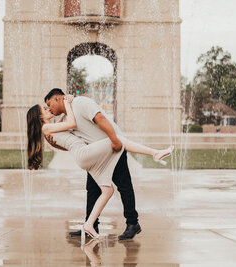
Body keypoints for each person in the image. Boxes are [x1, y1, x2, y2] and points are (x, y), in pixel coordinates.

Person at [33, 89, 172, 240]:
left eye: (49, 104)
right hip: (95, 153)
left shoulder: (81, 103)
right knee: (92, 190)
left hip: (112, 147)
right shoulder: (66, 116)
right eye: (45, 107)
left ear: (58, 99)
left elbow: (99, 118)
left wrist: (114, 141)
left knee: (123, 186)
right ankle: (91, 224)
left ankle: (132, 223)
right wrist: (55, 143)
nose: (49, 108)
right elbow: (69, 142)